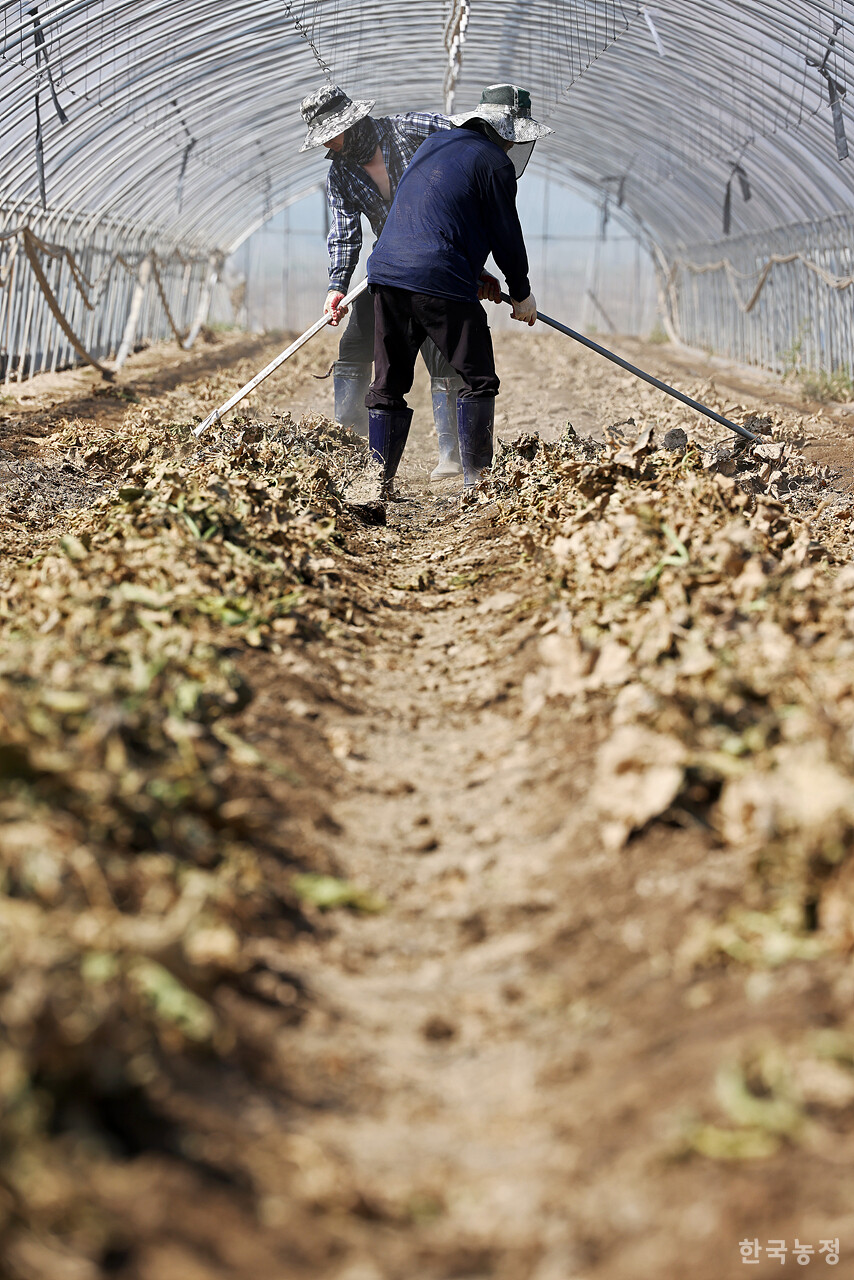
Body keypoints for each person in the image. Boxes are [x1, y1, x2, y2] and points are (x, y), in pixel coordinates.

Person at [364, 84, 551, 492]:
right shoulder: (494, 162)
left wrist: (472, 271)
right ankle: (477, 479)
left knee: (388, 382)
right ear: (505, 130)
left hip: (387, 272)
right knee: (478, 377)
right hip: (437, 277)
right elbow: (505, 234)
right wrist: (521, 292)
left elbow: (434, 218)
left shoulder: (433, 146)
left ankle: (376, 481)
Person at [298, 83, 465, 479]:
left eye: (333, 135)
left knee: (442, 349)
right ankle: (351, 441)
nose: (332, 145)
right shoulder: (340, 174)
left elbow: (465, 137)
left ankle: (450, 452)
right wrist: (337, 285)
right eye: (325, 139)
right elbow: (344, 233)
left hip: (437, 262)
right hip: (388, 268)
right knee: (355, 344)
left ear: (352, 124)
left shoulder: (410, 130)